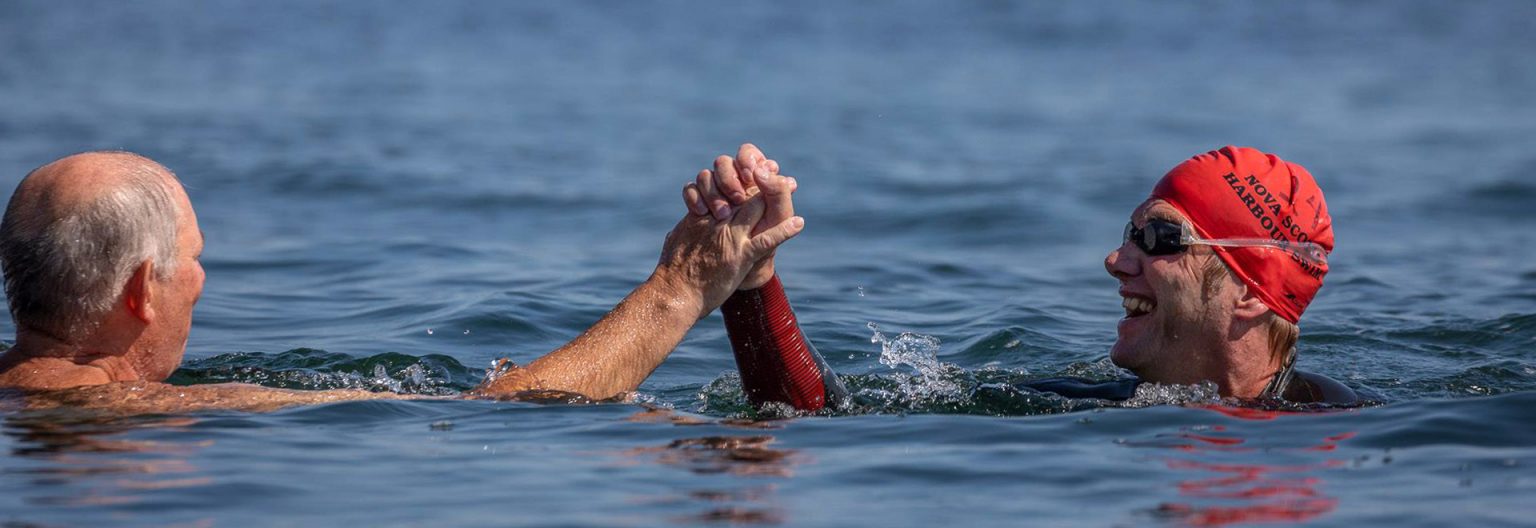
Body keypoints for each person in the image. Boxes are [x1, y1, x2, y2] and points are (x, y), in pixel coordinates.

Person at [0, 150, 802, 413]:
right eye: (195, 257)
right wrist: (678, 288)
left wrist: (744, 276)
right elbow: (493, 410)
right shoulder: (152, 410)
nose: (203, 280)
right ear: (142, 290)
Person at [686, 145, 1358, 412]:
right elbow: (825, 419)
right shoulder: (1085, 404)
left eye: (1159, 239)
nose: (1117, 260)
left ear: (1249, 294)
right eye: (1129, 234)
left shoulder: (1344, 423)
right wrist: (753, 280)